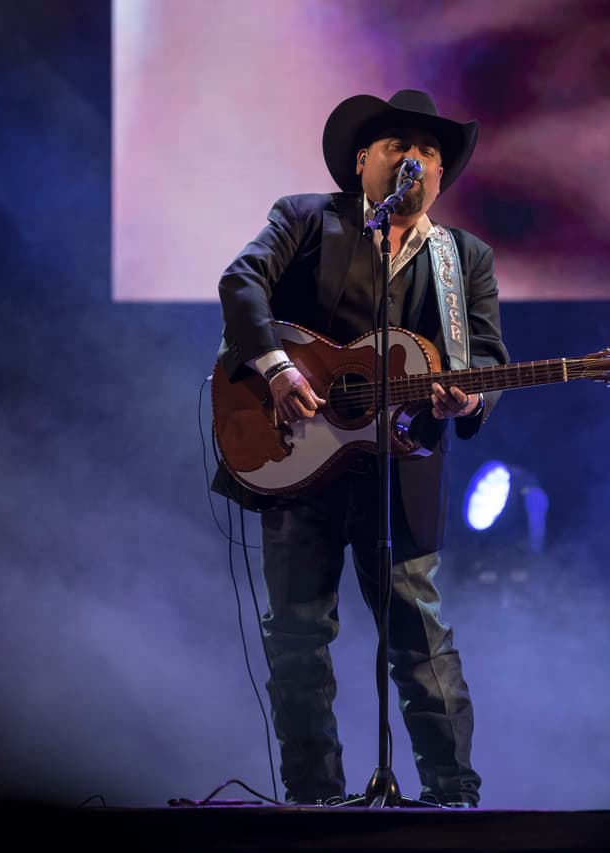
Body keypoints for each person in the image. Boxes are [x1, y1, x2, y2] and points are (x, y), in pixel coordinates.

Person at [212, 89, 509, 807]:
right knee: (297, 637)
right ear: (361, 161)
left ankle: (451, 797)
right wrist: (278, 369)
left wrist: (469, 395)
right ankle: (313, 801)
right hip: (298, 462)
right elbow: (241, 281)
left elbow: (489, 359)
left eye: (430, 150)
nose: (416, 158)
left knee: (421, 638)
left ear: (440, 175)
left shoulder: (462, 257)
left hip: (401, 474)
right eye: (398, 144)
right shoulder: (307, 218)